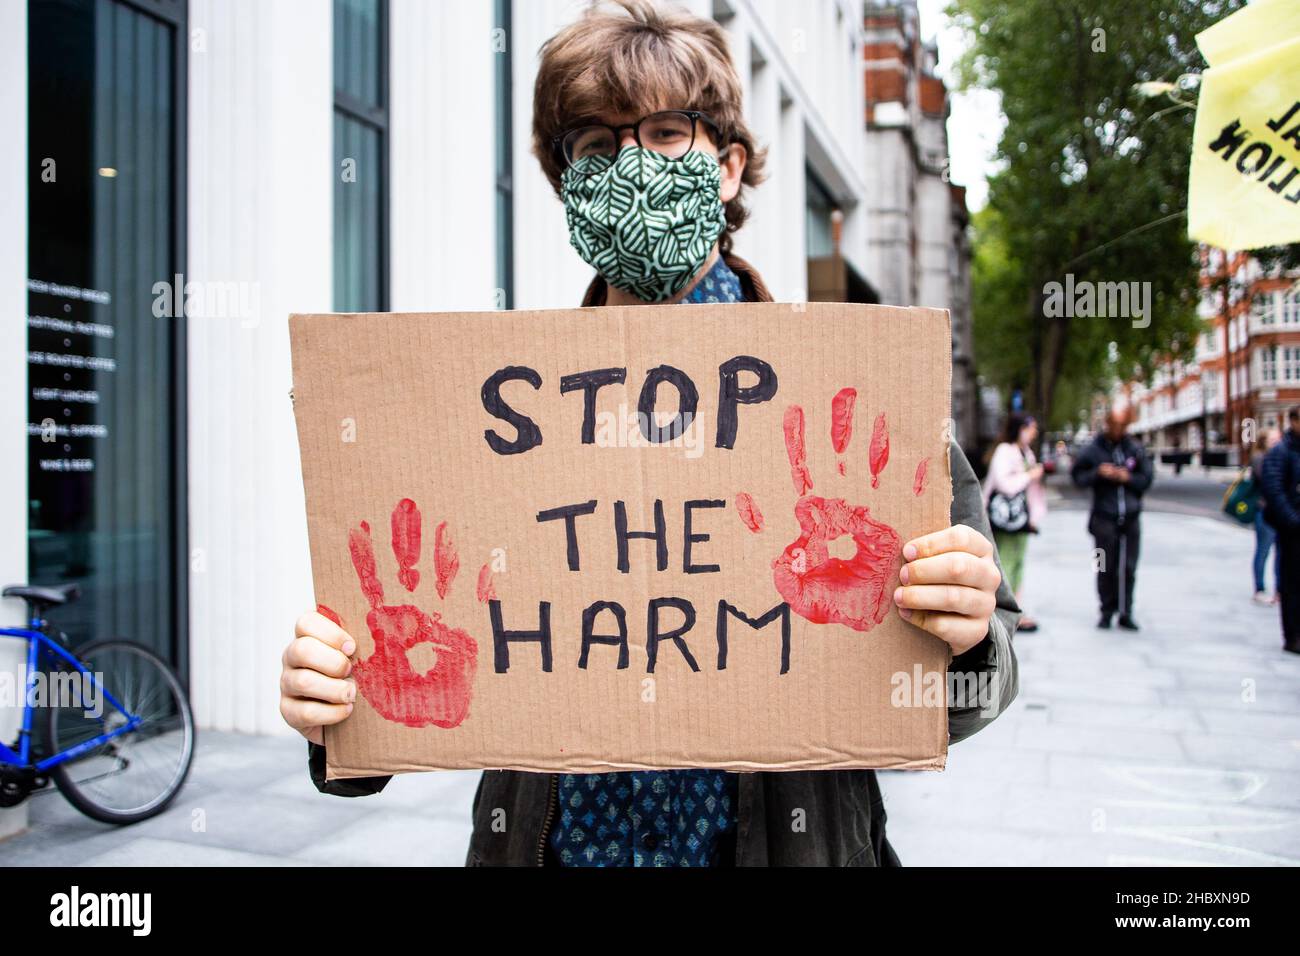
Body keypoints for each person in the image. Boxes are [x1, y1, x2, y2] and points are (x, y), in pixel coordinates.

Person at [278, 0, 1020, 867]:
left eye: (668, 134)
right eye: (594, 145)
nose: (632, 166)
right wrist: (340, 702)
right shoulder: (489, 419)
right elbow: (404, 696)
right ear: (566, 186)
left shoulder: (854, 400)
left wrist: (965, 633)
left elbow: (975, 691)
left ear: (730, 164)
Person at [1070, 404, 1154, 630]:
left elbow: (1146, 479)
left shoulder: (1135, 448)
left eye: (1122, 425)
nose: (1117, 429)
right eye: (1114, 425)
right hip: (1102, 519)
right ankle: (1106, 610)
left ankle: (1126, 612)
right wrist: (1098, 473)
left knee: (1129, 566)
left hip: (1131, 518)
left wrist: (1127, 478)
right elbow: (1077, 477)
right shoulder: (1092, 449)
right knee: (1102, 565)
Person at [983, 413, 1046, 631]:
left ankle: (1014, 609)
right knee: (1006, 562)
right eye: (1031, 428)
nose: (1034, 433)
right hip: (1006, 519)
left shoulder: (1025, 452)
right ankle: (1003, 610)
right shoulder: (1005, 451)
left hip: (1021, 519)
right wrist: (1030, 476)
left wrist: (1035, 516)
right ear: (1020, 429)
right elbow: (1003, 484)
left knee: (1018, 563)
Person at [1261, 407, 1300, 654]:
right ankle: (1293, 635)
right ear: (1294, 421)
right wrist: (1294, 521)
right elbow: (1274, 491)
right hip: (1292, 531)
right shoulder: (1281, 452)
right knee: (1293, 583)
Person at [1251, 428, 1282, 605]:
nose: (1277, 442)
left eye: (1279, 439)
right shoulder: (1259, 458)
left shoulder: (1281, 457)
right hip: (1264, 511)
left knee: (1281, 553)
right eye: (1273, 440)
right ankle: (1259, 588)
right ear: (1264, 441)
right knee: (1263, 551)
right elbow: (1270, 482)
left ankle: (1280, 590)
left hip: (1280, 512)